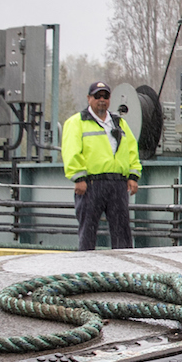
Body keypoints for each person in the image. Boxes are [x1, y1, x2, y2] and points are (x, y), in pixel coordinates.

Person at [61, 81, 141, 250]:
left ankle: (123, 268)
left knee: (122, 233)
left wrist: (133, 176)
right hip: (91, 184)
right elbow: (71, 151)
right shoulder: (77, 122)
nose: (102, 100)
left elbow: (132, 149)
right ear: (89, 98)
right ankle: (85, 266)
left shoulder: (119, 123)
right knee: (88, 232)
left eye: (105, 96)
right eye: (97, 96)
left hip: (118, 184)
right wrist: (78, 177)